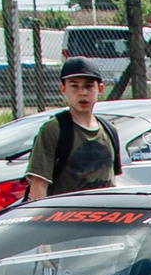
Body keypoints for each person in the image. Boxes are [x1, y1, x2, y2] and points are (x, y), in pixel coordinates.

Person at [24, 54, 122, 202]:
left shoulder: (109, 131)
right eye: (74, 86)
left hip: (103, 214)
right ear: (63, 89)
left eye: (89, 86)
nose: (83, 92)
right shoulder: (53, 130)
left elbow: (112, 181)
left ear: (100, 88)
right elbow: (38, 185)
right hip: (66, 215)